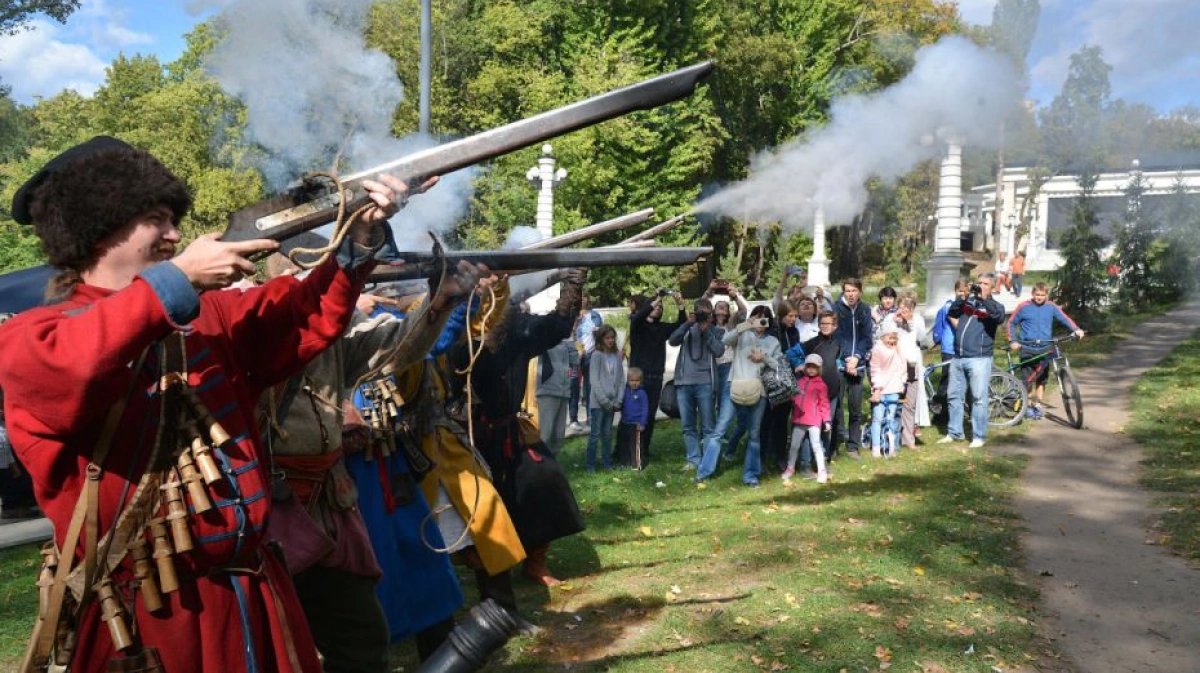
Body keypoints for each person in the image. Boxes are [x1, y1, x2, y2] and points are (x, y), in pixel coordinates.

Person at [0, 136, 410, 672]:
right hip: (151, 612)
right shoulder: (37, 335)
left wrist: (359, 236)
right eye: (155, 218)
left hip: (255, 593)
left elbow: (303, 315)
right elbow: (77, 367)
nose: (174, 235)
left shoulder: (204, 315)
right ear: (99, 228)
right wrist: (178, 281)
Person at [258, 254, 482, 672]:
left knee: (361, 637)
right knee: (278, 640)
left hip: (333, 498)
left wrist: (438, 302)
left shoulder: (337, 324)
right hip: (271, 509)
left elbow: (396, 351)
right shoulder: (248, 324)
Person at [467, 274, 587, 588]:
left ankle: (535, 562)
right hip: (473, 434)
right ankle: (492, 569)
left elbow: (557, 326)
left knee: (546, 481)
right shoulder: (470, 334)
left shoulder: (519, 336)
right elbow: (489, 340)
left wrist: (572, 286)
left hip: (511, 429)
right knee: (487, 505)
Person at [940, 272, 1006, 448]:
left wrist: (985, 300)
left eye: (985, 284)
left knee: (978, 398)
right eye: (979, 283)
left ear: (992, 287)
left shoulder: (995, 305)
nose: (981, 286)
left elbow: (999, 317)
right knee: (953, 396)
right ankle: (955, 432)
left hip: (979, 358)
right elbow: (952, 312)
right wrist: (963, 297)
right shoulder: (967, 303)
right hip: (958, 357)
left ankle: (978, 436)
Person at [1006, 282, 1085, 419]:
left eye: (1043, 295)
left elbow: (1064, 318)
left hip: (1045, 348)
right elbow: (1011, 323)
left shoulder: (1051, 307)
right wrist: (1013, 340)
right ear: (1032, 294)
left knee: (1042, 379)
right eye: (1037, 294)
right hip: (1027, 347)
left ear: (1047, 295)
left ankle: (1038, 405)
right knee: (1028, 379)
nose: (1040, 297)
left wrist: (1076, 329)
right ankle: (1028, 405)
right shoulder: (1024, 307)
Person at [626, 290, 686, 463]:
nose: (659, 308)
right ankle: (633, 455)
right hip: (638, 380)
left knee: (649, 417)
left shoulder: (661, 328)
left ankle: (644, 450)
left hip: (656, 378)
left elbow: (681, 324)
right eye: (656, 306)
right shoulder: (637, 326)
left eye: (661, 306)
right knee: (635, 417)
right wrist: (658, 297)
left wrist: (680, 304)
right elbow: (639, 316)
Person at [668, 298, 724, 470]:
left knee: (708, 425)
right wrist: (687, 324)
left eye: (705, 314)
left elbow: (719, 351)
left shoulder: (715, 330)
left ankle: (707, 461)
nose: (702, 316)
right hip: (684, 382)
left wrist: (707, 332)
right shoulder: (687, 328)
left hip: (705, 383)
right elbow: (672, 341)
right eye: (699, 312)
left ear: (711, 315)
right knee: (688, 425)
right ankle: (693, 460)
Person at [833, 278, 873, 460]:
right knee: (837, 406)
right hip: (841, 364)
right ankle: (835, 442)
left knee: (856, 408)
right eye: (847, 290)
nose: (850, 294)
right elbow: (837, 335)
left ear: (860, 292)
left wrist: (857, 358)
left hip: (858, 365)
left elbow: (867, 338)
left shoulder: (865, 310)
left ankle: (853, 446)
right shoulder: (836, 309)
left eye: (854, 290)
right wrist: (847, 357)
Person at [885, 295, 929, 449]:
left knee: (910, 403)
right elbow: (882, 336)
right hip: (894, 364)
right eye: (901, 307)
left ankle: (909, 439)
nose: (903, 311)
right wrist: (894, 323)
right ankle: (890, 437)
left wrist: (910, 322)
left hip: (912, 364)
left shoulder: (917, 319)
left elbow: (922, 338)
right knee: (892, 402)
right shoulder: (891, 318)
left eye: (907, 308)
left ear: (913, 309)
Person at [782, 354, 832, 483]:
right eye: (808, 366)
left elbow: (824, 404)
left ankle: (822, 471)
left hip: (814, 421)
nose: (811, 370)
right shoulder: (799, 382)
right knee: (794, 446)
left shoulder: (821, 385)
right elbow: (794, 398)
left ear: (819, 369)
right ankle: (790, 467)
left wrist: (826, 420)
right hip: (799, 420)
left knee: (816, 446)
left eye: (814, 367)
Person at [802, 311, 842, 465]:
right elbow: (794, 354)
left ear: (835, 326)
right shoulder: (812, 343)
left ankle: (823, 458)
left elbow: (841, 360)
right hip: (812, 393)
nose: (825, 326)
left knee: (827, 425)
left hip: (831, 392)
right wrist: (800, 367)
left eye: (828, 324)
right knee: (811, 425)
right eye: (822, 324)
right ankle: (807, 460)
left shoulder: (838, 343)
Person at [930, 279, 969, 426]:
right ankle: (940, 412)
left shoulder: (967, 305)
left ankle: (954, 411)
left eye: (966, 291)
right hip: (950, 348)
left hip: (962, 347)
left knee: (960, 380)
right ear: (955, 291)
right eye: (960, 291)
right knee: (947, 380)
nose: (963, 294)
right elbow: (960, 326)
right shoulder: (949, 306)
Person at [585, 325, 624, 471]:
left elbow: (621, 379)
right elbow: (594, 381)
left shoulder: (616, 355)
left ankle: (607, 463)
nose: (610, 340)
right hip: (598, 403)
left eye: (612, 337)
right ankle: (590, 465)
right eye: (607, 338)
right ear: (601, 339)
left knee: (607, 434)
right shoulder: (596, 355)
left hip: (613, 402)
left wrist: (618, 400)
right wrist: (606, 402)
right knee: (595, 434)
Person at [868, 324, 907, 458]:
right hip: (881, 390)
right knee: (878, 418)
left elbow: (903, 366)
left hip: (894, 388)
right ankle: (876, 447)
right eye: (890, 338)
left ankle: (890, 445)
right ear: (883, 337)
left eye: (895, 338)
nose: (892, 341)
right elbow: (875, 370)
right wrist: (877, 389)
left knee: (890, 419)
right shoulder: (877, 350)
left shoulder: (898, 350)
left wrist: (902, 383)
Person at [536, 336, 578, 455]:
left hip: (564, 392)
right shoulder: (545, 339)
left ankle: (552, 464)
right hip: (547, 392)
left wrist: (570, 381)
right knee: (546, 434)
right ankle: (542, 465)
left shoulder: (567, 342)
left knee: (559, 435)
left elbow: (575, 362)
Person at [569, 295, 604, 430]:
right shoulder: (572, 315)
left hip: (590, 355)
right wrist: (575, 323)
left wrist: (597, 332)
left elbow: (600, 333)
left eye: (585, 298)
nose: (583, 301)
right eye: (580, 298)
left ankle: (590, 417)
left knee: (591, 386)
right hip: (573, 357)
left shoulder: (595, 315)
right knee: (573, 386)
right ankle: (573, 419)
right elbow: (568, 333)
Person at [614, 367, 651, 469]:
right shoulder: (625, 391)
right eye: (632, 380)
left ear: (641, 381)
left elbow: (645, 409)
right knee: (624, 444)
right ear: (628, 380)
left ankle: (637, 464)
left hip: (636, 424)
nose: (634, 383)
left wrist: (643, 423)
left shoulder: (642, 393)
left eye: (637, 380)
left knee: (636, 445)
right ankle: (625, 463)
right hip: (625, 422)